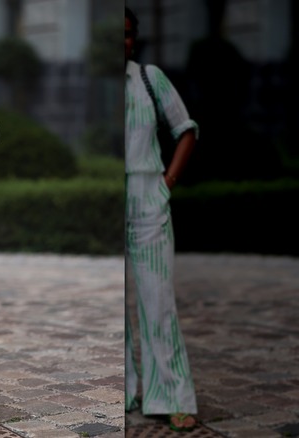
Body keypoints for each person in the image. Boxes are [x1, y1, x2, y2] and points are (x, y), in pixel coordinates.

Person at [124, 6, 199, 433]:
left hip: (147, 198)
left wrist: (166, 181)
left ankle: (171, 396)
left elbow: (185, 129)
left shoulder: (149, 78)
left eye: (127, 33)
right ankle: (124, 390)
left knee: (158, 301)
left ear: (134, 39)